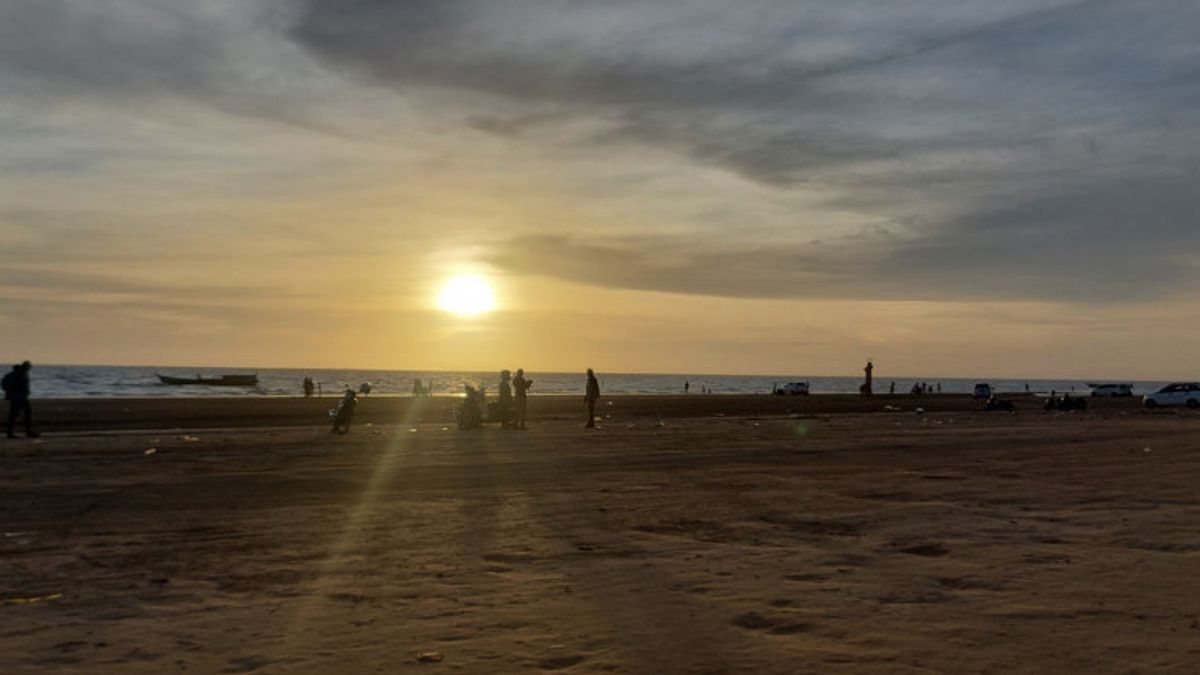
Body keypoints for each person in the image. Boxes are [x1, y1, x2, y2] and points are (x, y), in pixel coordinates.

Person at [3, 361, 37, 439]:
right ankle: (11, 432)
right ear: (26, 366)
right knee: (14, 414)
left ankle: (26, 431)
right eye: (29, 367)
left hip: (22, 397)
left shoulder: (21, 373)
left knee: (25, 413)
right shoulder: (17, 374)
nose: (29, 368)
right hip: (17, 397)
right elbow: (7, 384)